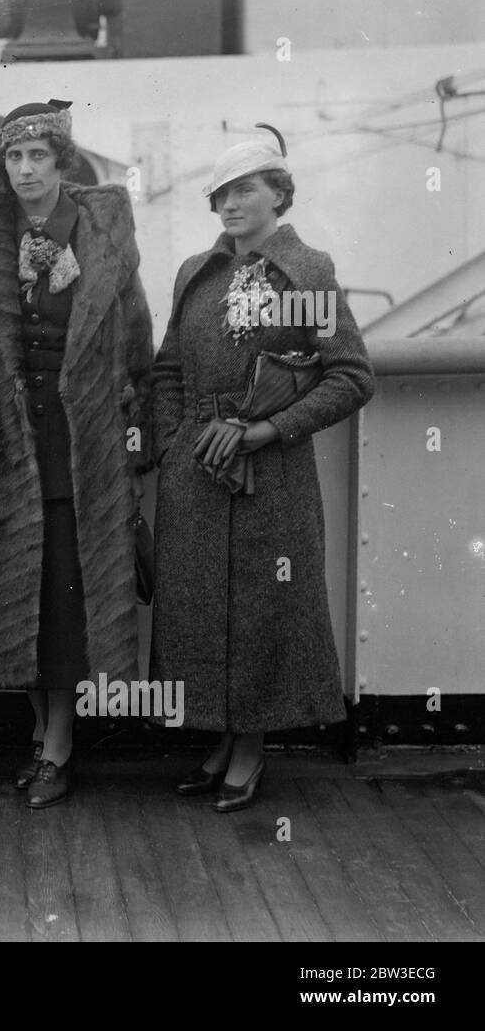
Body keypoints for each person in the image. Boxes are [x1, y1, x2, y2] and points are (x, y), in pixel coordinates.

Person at [0, 99, 154, 808]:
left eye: (38, 157)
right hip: (0, 441)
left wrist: (138, 428)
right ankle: (41, 732)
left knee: (63, 598)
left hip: (79, 441)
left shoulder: (102, 231)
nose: (26, 169)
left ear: (62, 163)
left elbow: (139, 335)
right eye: (14, 158)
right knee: (7, 594)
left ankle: (58, 745)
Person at [151, 125, 374, 812]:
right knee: (197, 607)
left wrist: (266, 429)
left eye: (244, 189)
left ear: (278, 193)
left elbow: (350, 376)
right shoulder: (198, 272)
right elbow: (165, 371)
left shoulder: (307, 271)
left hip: (269, 471)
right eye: (220, 193)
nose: (229, 203)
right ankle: (218, 738)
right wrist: (173, 441)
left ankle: (250, 748)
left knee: (259, 608)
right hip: (195, 469)